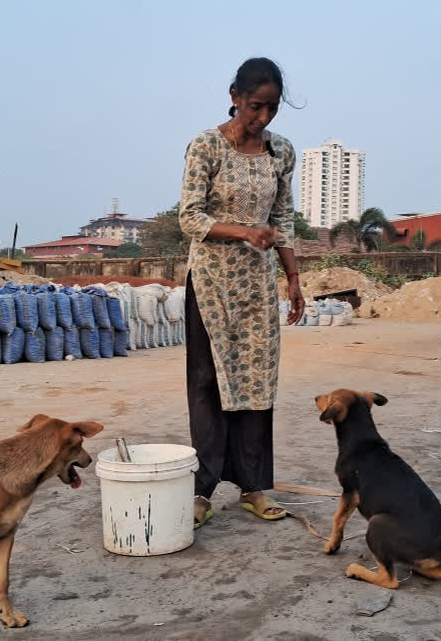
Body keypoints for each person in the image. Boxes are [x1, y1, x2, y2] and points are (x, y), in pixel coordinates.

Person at [178, 57, 305, 529]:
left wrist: (292, 280)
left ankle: (253, 487)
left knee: (256, 381)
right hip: (211, 285)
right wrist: (243, 232)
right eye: (256, 106)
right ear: (235, 97)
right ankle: (202, 490)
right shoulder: (206, 146)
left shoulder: (281, 153)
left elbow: (284, 220)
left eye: (272, 109)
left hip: (256, 287)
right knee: (209, 384)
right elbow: (189, 218)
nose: (263, 118)